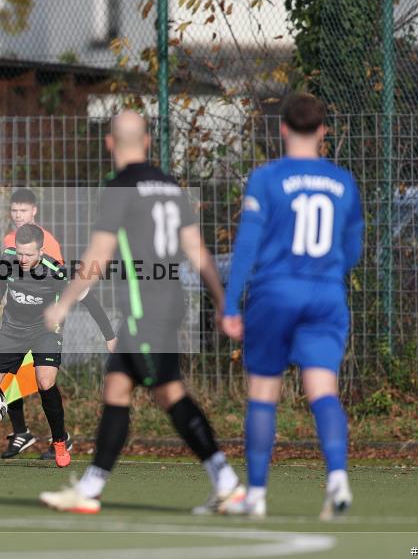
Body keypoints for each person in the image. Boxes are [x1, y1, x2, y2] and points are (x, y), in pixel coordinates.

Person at [39, 110, 243, 514]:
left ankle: (227, 481)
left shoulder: (119, 187)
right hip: (167, 302)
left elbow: (98, 255)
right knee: (116, 388)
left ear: (110, 143)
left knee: (170, 393)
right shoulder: (170, 187)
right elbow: (197, 252)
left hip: (143, 306)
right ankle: (91, 488)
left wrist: (63, 303)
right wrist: (222, 301)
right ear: (147, 142)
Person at [220, 93, 364, 520]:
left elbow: (246, 246)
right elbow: (352, 248)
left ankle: (258, 495)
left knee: (264, 393)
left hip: (275, 295)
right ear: (322, 131)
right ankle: (337, 478)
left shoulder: (267, 178)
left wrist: (230, 305)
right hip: (324, 296)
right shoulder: (344, 182)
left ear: (282, 128)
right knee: (323, 389)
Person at [0, 223, 116, 468]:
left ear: (41, 251)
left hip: (45, 331)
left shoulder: (57, 272)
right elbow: (1, 280)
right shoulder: (8, 259)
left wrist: (110, 336)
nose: (23, 259)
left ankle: (59, 442)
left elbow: (90, 301)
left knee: (45, 381)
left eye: (29, 254)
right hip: (11, 330)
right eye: (20, 253)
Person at [1, 188, 67, 460]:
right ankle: (21, 432)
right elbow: (8, 275)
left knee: (43, 381)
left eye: (23, 211)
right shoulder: (9, 239)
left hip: (42, 325)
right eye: (14, 211)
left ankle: (60, 438)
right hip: (15, 320)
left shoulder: (47, 242)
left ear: (34, 212)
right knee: (7, 375)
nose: (18, 216)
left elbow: (59, 283)